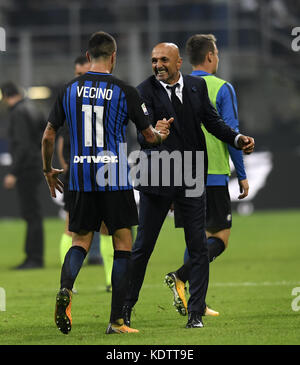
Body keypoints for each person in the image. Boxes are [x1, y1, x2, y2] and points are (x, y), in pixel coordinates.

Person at [41, 31, 172, 335]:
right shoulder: (125, 90)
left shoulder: (68, 89)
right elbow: (149, 138)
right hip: (114, 176)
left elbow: (48, 135)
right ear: (114, 57)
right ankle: (117, 321)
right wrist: (162, 133)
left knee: (80, 240)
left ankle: (66, 289)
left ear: (88, 57)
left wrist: (48, 170)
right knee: (122, 244)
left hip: (80, 176)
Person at [122, 42, 254, 329]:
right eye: (154, 60)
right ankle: (125, 309)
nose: (157, 65)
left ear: (179, 62)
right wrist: (155, 134)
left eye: (163, 60)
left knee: (197, 245)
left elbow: (213, 122)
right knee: (143, 246)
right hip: (156, 176)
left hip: (191, 177)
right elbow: (142, 137)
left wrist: (236, 138)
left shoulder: (196, 87)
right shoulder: (143, 90)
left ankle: (195, 313)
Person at [164, 34, 250, 317]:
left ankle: (192, 299)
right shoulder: (222, 87)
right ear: (211, 56)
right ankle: (181, 277)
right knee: (220, 239)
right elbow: (231, 132)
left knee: (196, 237)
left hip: (185, 172)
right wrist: (242, 174)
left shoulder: (180, 86)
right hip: (212, 172)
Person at [56, 55, 109, 274]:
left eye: (83, 73)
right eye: (77, 74)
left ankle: (109, 281)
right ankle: (66, 282)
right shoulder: (70, 99)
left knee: (107, 226)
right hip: (77, 172)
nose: (79, 78)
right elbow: (59, 138)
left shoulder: (106, 97)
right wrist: (64, 165)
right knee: (72, 227)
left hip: (103, 170)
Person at [1, 81, 45, 270]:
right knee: (33, 214)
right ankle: (34, 256)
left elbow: (23, 146)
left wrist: (13, 172)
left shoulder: (18, 113)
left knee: (31, 214)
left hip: (26, 168)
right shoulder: (32, 108)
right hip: (36, 165)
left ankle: (34, 258)